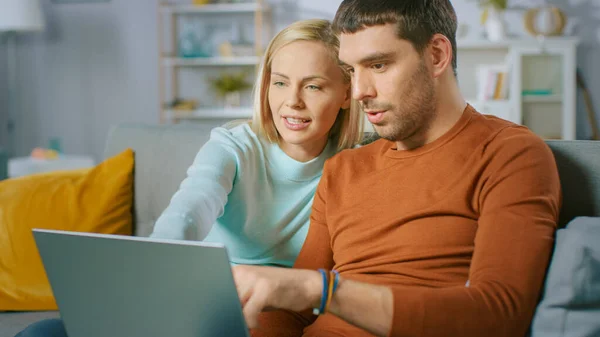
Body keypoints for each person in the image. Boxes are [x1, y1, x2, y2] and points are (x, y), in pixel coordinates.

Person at [14, 18, 363, 337]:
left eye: (313, 87)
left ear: (347, 93)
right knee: (42, 333)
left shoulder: (357, 165)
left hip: (277, 312)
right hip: (206, 301)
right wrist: (157, 260)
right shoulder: (234, 145)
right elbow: (192, 205)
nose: (292, 102)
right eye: (281, 83)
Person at [232, 1, 562, 337]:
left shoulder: (509, 153)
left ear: (436, 55)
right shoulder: (344, 168)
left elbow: (499, 314)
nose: (360, 91)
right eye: (350, 70)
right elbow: (292, 312)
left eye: (377, 65)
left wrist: (325, 291)